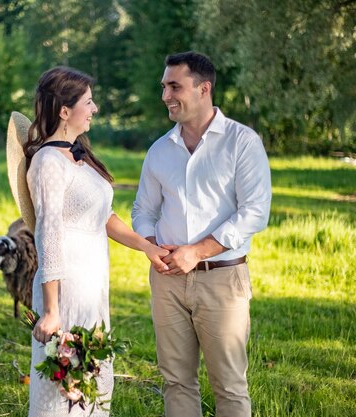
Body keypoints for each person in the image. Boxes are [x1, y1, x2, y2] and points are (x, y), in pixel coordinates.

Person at [21, 66, 169, 417]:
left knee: (92, 382)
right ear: (64, 110)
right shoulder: (47, 163)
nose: (95, 108)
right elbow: (49, 235)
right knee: (64, 388)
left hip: (92, 288)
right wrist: (53, 310)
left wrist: (147, 246)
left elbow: (104, 217)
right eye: (89, 101)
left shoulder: (78, 157)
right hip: (66, 289)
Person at [131, 51, 272, 417]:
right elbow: (143, 210)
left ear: (203, 88)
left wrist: (196, 251)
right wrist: (152, 247)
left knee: (229, 385)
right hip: (167, 281)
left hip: (222, 279)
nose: (165, 96)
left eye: (174, 86)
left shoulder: (242, 142)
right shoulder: (159, 150)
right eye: (164, 87)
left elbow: (255, 211)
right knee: (176, 382)